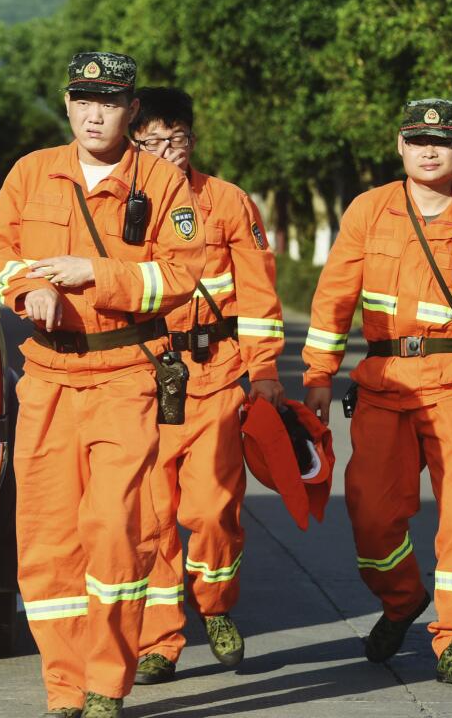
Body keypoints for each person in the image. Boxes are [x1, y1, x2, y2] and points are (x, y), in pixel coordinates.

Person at [0, 53, 204, 718]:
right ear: (68, 102)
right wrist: (31, 289)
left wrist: (93, 274)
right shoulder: (30, 174)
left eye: (109, 100)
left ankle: (107, 682)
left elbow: (180, 275)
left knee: (113, 530)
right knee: (47, 540)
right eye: (83, 99)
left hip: (124, 377)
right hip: (47, 379)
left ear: (132, 111)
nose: (94, 112)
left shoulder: (163, 183)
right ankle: (64, 690)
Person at [303, 99, 452, 688]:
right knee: (370, 512)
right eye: (417, 139)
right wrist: (316, 376)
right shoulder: (368, 210)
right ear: (400, 146)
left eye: (442, 139)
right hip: (384, 387)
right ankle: (403, 597)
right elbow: (334, 300)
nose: (429, 149)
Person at [127, 87, 286, 685]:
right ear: (133, 142)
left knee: (213, 508)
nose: (166, 150)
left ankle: (216, 607)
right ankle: (159, 643)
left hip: (217, 373)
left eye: (177, 137)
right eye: (151, 140)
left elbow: (261, 295)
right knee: (153, 515)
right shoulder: (123, 202)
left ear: (193, 139)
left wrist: (265, 371)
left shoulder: (227, 201)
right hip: (143, 376)